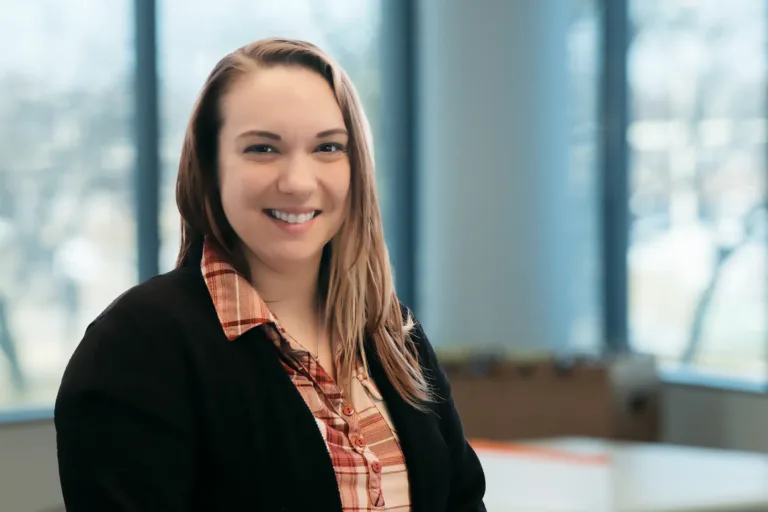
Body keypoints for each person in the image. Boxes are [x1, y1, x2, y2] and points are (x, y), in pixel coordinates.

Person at [54, 38, 486, 512]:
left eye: (328, 147)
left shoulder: (391, 334)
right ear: (210, 166)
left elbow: (462, 499)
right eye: (262, 148)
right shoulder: (136, 348)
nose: (298, 182)